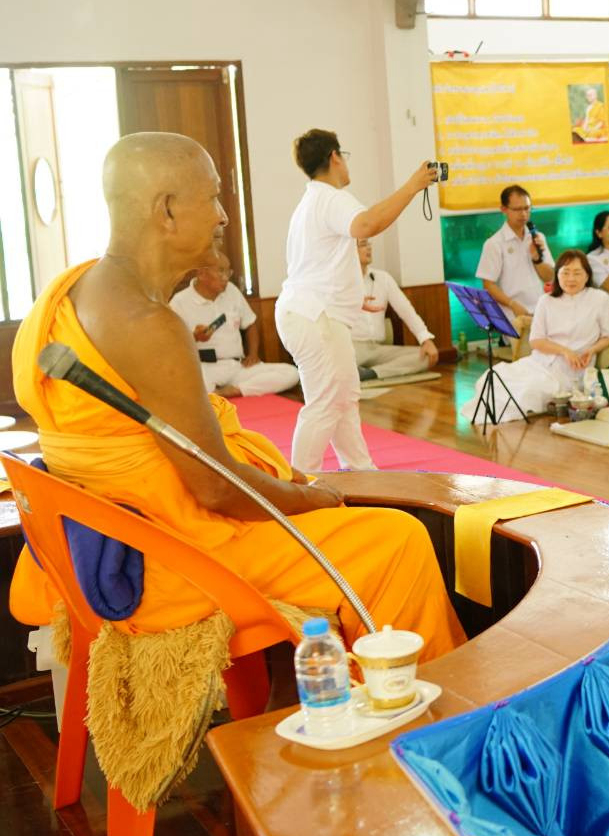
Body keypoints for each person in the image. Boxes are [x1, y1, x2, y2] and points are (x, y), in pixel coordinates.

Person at [10, 132, 463, 656]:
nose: (224, 216)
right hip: (169, 558)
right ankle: (422, 696)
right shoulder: (146, 323)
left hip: (108, 539)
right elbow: (217, 489)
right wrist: (310, 498)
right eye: (213, 198)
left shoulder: (66, 292)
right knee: (398, 541)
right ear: (167, 211)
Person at [276, 129, 439, 472]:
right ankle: (301, 481)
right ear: (335, 157)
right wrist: (412, 186)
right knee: (327, 402)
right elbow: (367, 225)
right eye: (344, 156)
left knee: (344, 398)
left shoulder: (310, 203)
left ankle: (361, 471)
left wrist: (351, 298)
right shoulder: (330, 197)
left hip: (310, 311)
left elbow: (316, 266)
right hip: (315, 316)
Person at [464, 251, 609, 423]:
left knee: (527, 390)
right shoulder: (546, 300)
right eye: (565, 273)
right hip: (540, 362)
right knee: (493, 377)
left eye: (577, 273)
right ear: (557, 275)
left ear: (587, 276)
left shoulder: (600, 299)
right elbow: (536, 341)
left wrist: (592, 350)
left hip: (572, 370)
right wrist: (564, 351)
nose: (571, 279)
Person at [169, 251, 299, 397]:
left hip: (236, 366)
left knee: (291, 373)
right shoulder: (179, 302)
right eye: (220, 271)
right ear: (201, 273)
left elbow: (250, 323)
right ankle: (215, 393)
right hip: (203, 368)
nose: (226, 277)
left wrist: (253, 354)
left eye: (228, 271)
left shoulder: (231, 291)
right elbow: (171, 345)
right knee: (184, 388)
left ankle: (234, 390)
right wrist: (194, 337)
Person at [352, 238, 439, 381]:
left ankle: (371, 373)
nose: (368, 248)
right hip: (353, 348)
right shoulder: (340, 281)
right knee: (334, 365)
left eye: (368, 243)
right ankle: (359, 372)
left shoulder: (383, 278)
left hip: (378, 349)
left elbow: (406, 310)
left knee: (424, 357)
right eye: (363, 244)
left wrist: (425, 339)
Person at [476, 185, 554, 333]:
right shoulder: (494, 243)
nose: (523, 214)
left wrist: (537, 259)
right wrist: (512, 304)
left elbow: (549, 277)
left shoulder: (538, 238)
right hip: (512, 316)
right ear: (504, 209)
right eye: (517, 209)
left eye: (527, 208)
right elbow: (488, 285)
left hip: (539, 312)